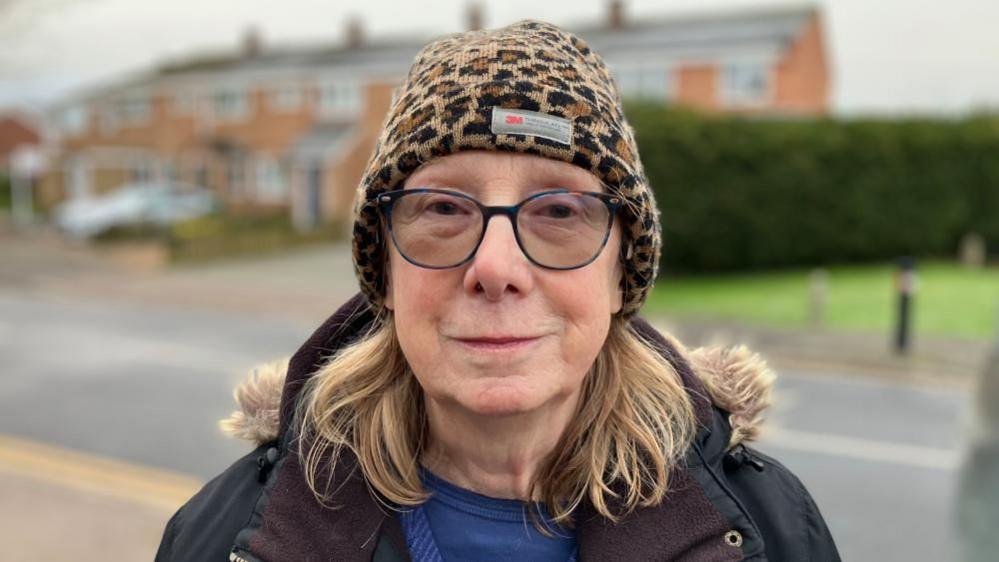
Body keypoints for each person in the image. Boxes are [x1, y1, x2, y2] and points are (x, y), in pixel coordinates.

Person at [156, 20, 840, 562]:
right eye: (444, 209)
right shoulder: (225, 538)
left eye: (561, 212)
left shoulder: (768, 531)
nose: (496, 266)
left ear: (618, 274)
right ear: (384, 271)